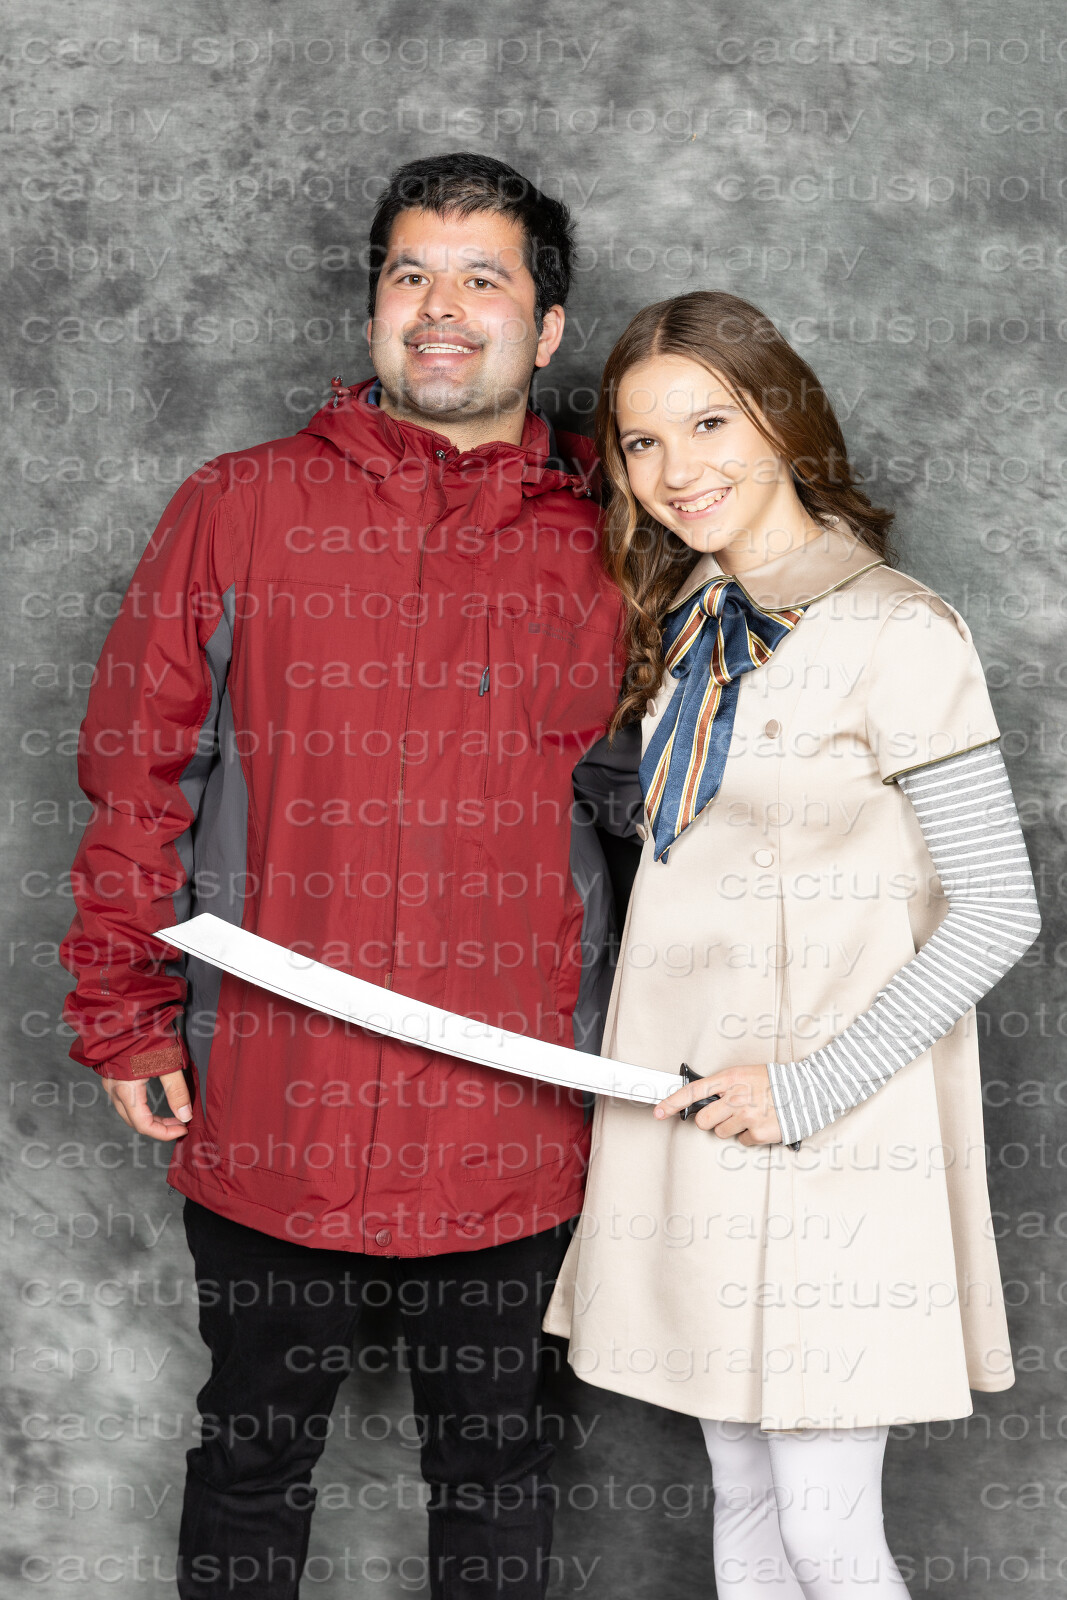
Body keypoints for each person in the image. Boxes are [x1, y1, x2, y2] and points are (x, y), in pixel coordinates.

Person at [59, 153, 629, 1600]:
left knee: (496, 1473)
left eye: (484, 279)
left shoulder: (617, 541)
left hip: (513, 1119)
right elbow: (141, 772)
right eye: (409, 273)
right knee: (250, 1458)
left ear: (548, 327)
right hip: (272, 1099)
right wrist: (123, 1013)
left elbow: (676, 815)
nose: (440, 307)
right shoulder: (238, 505)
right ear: (374, 305)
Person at [542, 290, 1042, 1597]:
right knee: (749, 1507)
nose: (677, 469)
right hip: (698, 1122)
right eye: (642, 442)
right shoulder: (695, 614)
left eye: (709, 422)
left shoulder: (899, 630)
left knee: (828, 1531)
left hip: (832, 1136)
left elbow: (999, 906)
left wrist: (812, 1087)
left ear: (782, 417)